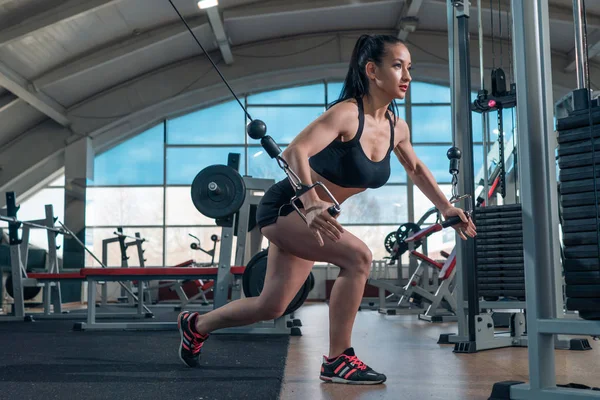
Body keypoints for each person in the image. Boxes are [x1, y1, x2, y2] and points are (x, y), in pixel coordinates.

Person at [177, 34, 477, 384]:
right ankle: (338, 358)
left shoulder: (397, 127)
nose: (407, 76)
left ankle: (195, 326)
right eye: (398, 66)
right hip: (287, 208)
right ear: (372, 71)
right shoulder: (347, 114)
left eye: (409, 67)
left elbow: (415, 169)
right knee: (359, 257)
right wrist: (311, 200)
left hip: (313, 216)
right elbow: (294, 153)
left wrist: (446, 208)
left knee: (271, 305)